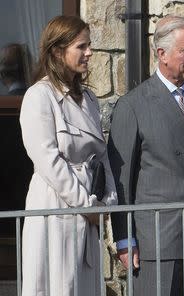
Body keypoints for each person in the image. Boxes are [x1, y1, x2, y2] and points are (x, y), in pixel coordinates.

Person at [107, 15, 184, 296]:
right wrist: (125, 239)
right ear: (161, 54)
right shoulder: (133, 105)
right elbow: (121, 179)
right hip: (158, 240)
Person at [19, 15, 118, 296]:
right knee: (57, 286)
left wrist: (107, 203)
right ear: (57, 51)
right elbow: (48, 161)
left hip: (89, 212)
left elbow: (102, 156)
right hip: (55, 208)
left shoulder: (88, 99)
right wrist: (86, 206)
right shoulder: (38, 97)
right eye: (81, 46)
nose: (89, 53)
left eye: (89, 46)